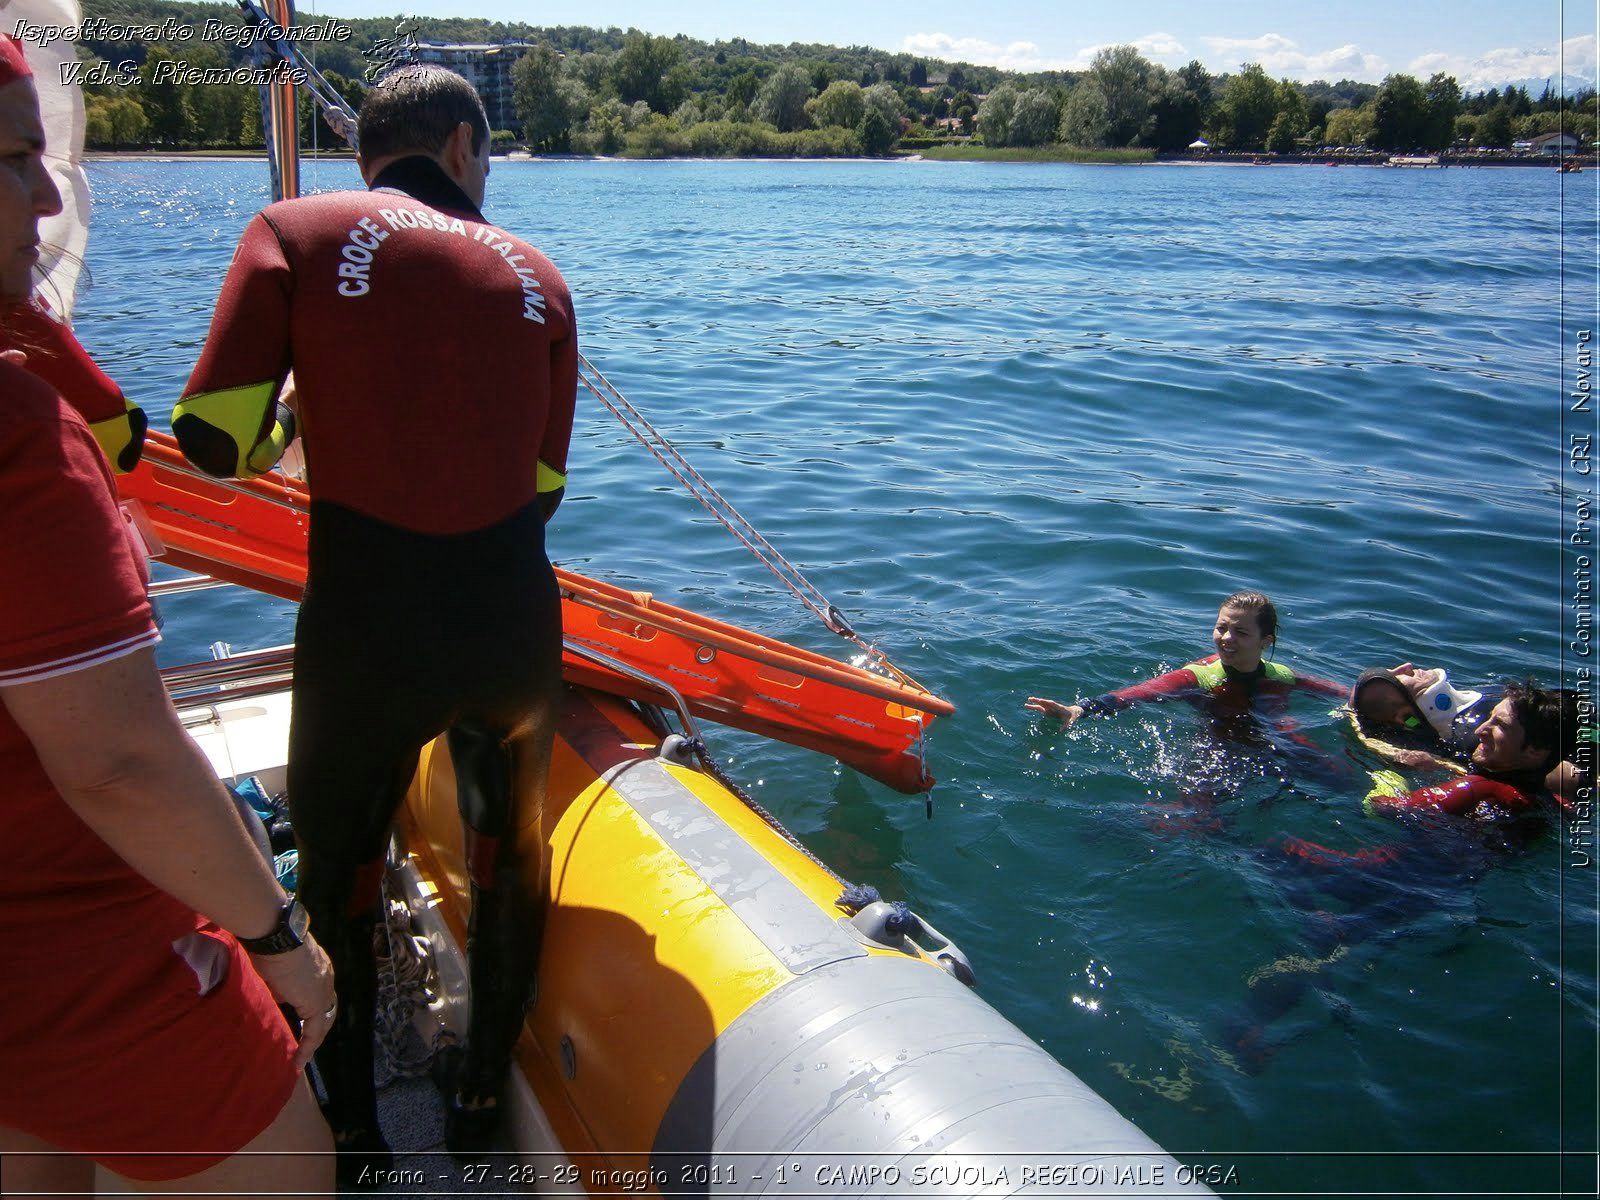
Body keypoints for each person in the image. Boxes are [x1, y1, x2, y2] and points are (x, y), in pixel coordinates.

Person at [171, 64, 577, 1181]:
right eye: (488, 158)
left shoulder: (292, 231)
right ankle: (483, 1097)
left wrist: (303, 413)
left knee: (342, 873)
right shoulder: (541, 275)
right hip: (510, 630)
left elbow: (212, 438)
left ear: (374, 156)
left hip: (366, 634)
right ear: (458, 148)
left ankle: (353, 1132)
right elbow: (543, 483)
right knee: (508, 858)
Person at [0, 33, 334, 1194]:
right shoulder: (16, 430)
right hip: (73, 943)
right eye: (11, 161)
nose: (49, 196)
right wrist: (279, 938)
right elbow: (119, 766)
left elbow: (160, 436)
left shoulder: (34, 362)